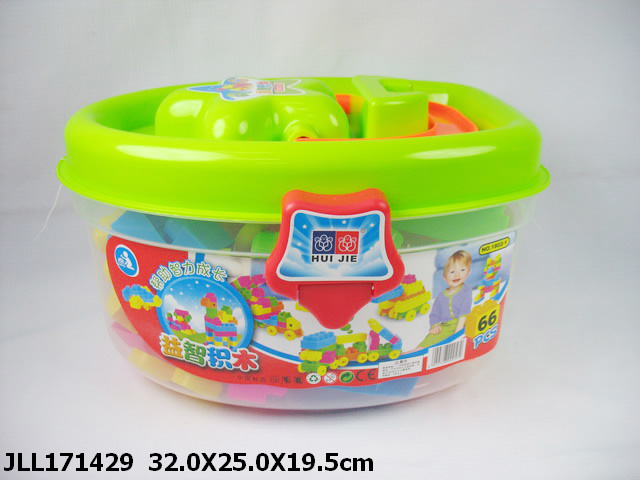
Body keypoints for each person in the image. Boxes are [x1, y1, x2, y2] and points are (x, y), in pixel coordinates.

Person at [419, 250, 472, 348]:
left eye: (462, 270)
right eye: (452, 272)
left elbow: (464, 313)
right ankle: (416, 351)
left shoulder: (466, 291)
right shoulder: (441, 296)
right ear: (444, 277)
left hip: (462, 325)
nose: (457, 274)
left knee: (441, 342)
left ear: (468, 272)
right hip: (445, 326)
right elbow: (434, 314)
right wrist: (435, 326)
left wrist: (457, 333)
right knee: (430, 338)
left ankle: (418, 351)